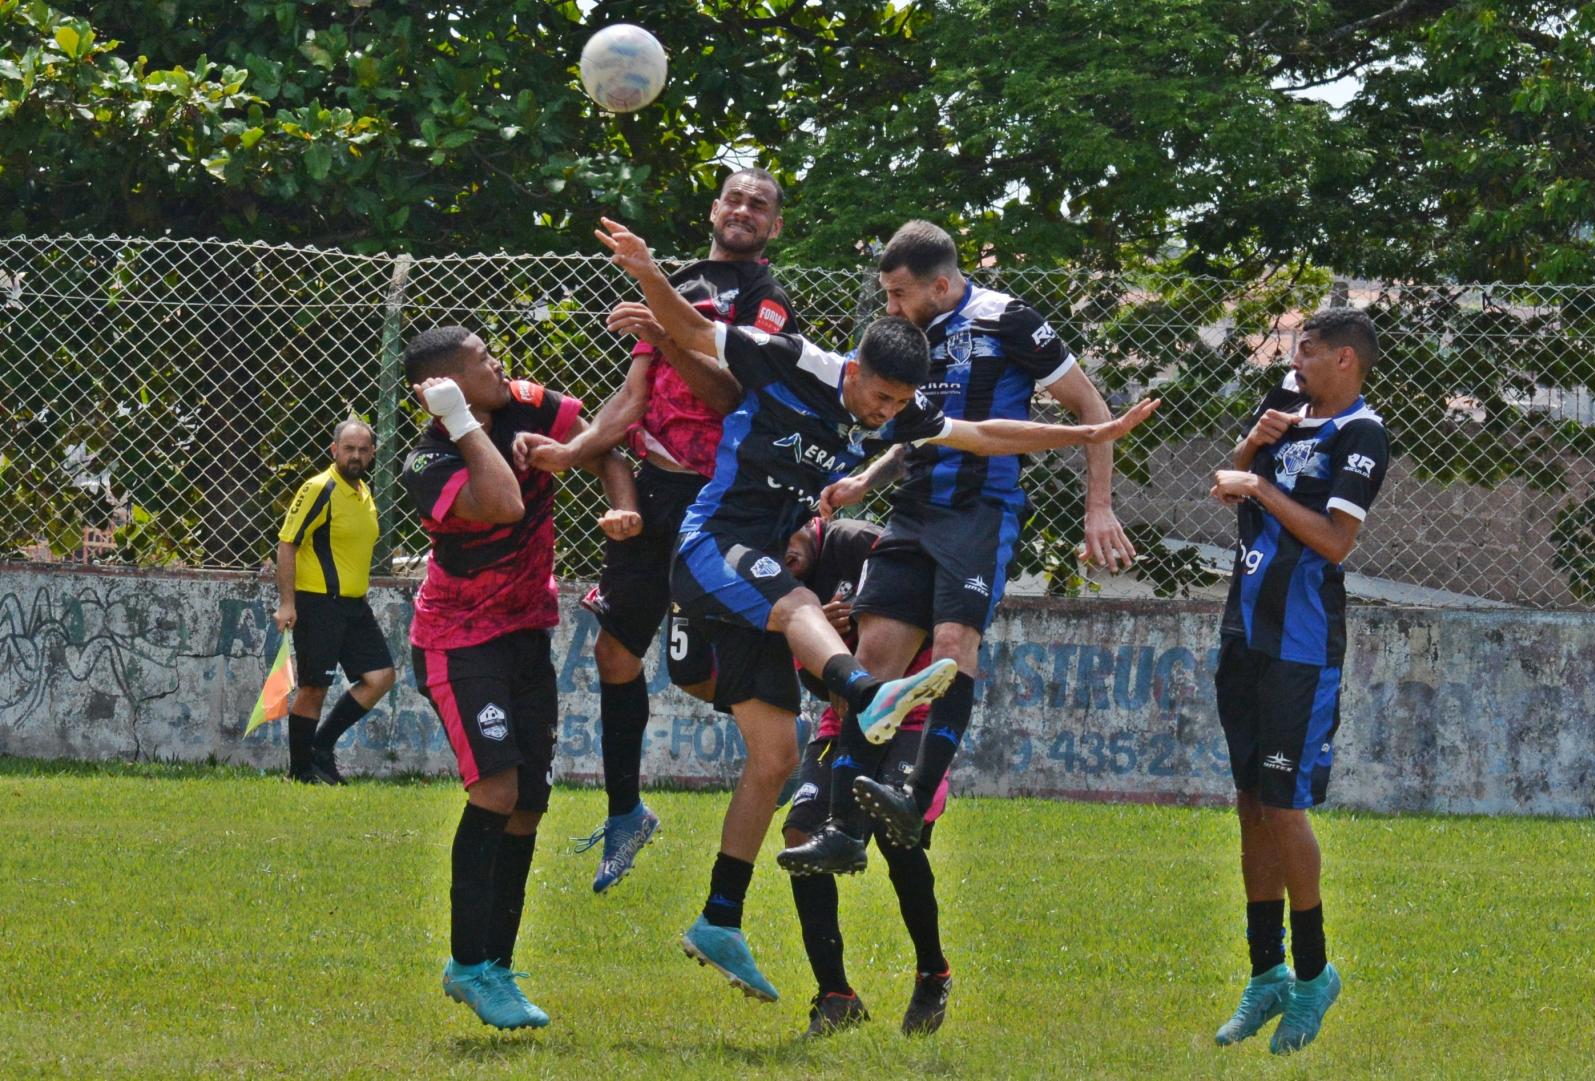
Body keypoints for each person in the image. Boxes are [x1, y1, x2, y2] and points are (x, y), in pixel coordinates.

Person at [597, 215, 1158, 1003]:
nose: (880, 415)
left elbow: (986, 432)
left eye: (898, 405)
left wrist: (1089, 429)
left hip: (763, 567)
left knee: (775, 759)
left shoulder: (898, 412)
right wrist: (648, 268)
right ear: (853, 367)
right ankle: (870, 694)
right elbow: (696, 328)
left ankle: (720, 915)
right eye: (877, 397)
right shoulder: (796, 361)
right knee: (800, 606)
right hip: (713, 548)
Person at [778, 218, 1138, 873]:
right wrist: (869, 476)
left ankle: (914, 795)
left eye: (898, 294)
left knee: (951, 647)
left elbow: (1092, 407)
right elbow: (921, 429)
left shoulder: (1010, 321)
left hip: (980, 512)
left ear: (941, 284)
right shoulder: (909, 343)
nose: (889, 307)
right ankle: (845, 831)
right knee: (873, 655)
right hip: (913, 512)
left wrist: (1099, 506)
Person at [522, 167, 797, 895]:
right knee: (615, 651)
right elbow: (632, 397)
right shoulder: (672, 282)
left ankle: (795, 748)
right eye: (734, 198)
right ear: (714, 209)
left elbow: (733, 392)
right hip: (658, 489)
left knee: (695, 669)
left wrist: (670, 335)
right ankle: (625, 813)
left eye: (759, 205)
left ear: (772, 226)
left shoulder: (768, 304)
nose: (743, 210)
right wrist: (570, 451)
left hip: (724, 502)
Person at [399, 326, 640, 1031]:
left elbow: (605, 445)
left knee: (529, 803)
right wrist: (460, 419)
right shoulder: (427, 457)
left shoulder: (530, 403)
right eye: (480, 361)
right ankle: (467, 964)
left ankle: (495, 968)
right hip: (456, 640)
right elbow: (502, 501)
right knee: (496, 789)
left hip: (524, 634)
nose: (498, 363)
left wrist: (620, 500)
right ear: (444, 385)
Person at [1207, 307, 1388, 1055]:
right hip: (1243, 631)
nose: (1295, 361)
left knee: (1285, 806)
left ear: (1346, 360)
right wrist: (1249, 454)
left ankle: (1314, 974)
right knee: (1250, 801)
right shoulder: (1285, 405)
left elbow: (1335, 540)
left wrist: (1258, 484)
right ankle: (1266, 972)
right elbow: (1230, 484)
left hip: (1301, 645)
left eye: (1308, 351)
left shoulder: (1361, 434)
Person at [777, 516, 955, 1039]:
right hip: (843, 722)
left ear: (805, 519)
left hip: (915, 715)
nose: (779, 553)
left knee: (897, 834)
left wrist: (857, 620)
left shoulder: (861, 541)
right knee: (800, 836)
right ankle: (836, 996)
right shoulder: (780, 586)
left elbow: (926, 592)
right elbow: (816, 682)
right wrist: (823, 642)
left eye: (783, 536)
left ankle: (933, 972)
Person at [273, 418, 396, 784]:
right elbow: (287, 542)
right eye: (348, 448)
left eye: (362, 449)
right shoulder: (319, 488)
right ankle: (299, 773)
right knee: (314, 687)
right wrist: (287, 603)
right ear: (334, 450)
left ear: (372, 453)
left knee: (380, 677)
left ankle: (321, 749)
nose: (355, 455)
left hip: (355, 606)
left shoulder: (363, 492)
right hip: (318, 603)